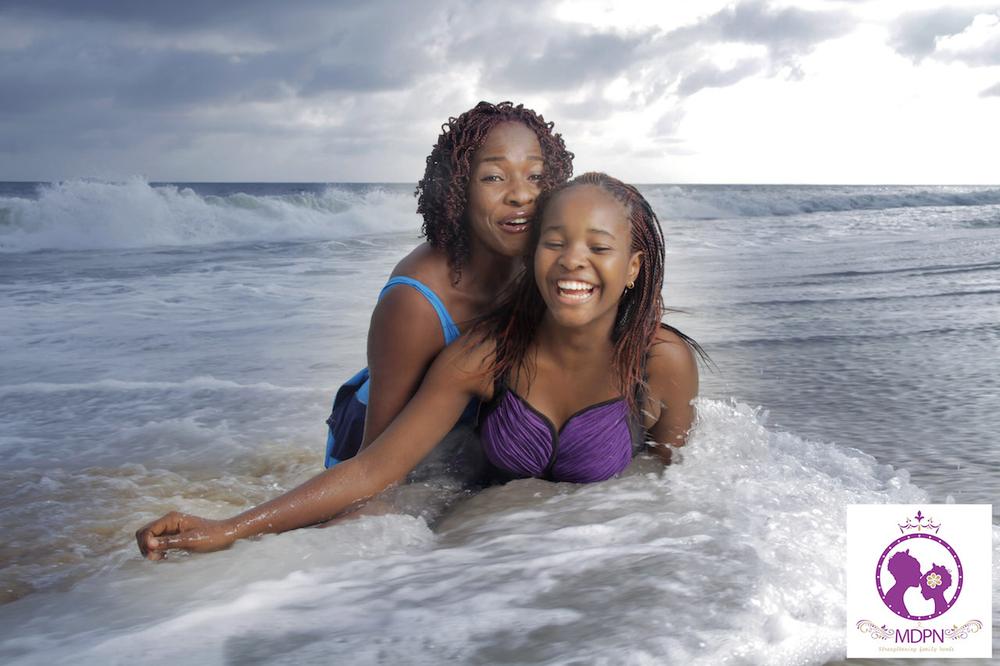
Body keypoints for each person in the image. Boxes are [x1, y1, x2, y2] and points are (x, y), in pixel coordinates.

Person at [136, 172, 701, 559]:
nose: (572, 260)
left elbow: (674, 483)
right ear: (534, 256)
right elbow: (371, 469)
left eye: (598, 248)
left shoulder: (662, 363)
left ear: (632, 267)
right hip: (488, 548)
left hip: (603, 557)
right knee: (355, 534)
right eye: (555, 242)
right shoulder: (484, 356)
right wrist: (231, 529)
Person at [325, 101, 574, 467]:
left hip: (461, 434)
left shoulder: (543, 264)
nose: (521, 194)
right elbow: (372, 462)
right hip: (373, 441)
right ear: (460, 188)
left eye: (535, 176)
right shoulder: (414, 303)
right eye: (494, 177)